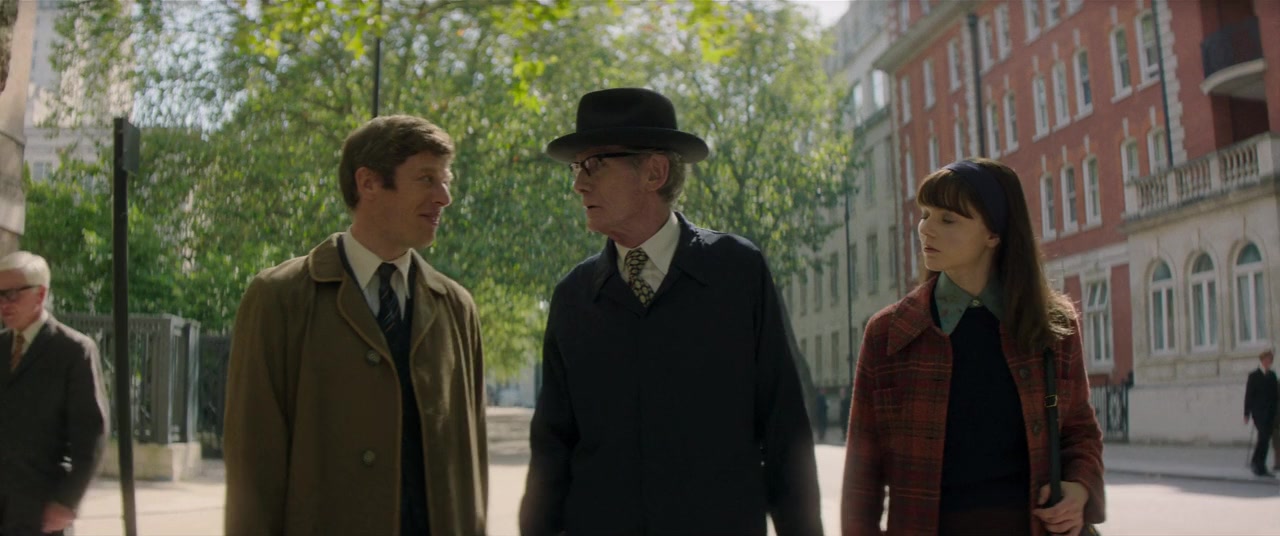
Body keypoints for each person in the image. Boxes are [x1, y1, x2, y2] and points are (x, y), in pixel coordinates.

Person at [519, 87, 822, 536]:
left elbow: (784, 426)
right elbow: (551, 450)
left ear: (654, 172)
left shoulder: (737, 272)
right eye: (576, 167)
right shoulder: (573, 296)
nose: (578, 183)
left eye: (593, 165)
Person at [223, 115, 487, 535]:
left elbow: (471, 469)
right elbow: (252, 466)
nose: (444, 197)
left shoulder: (456, 308)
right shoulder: (280, 298)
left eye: (445, 180)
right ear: (368, 183)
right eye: (426, 179)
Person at [841, 159, 1105, 535]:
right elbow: (861, 478)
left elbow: (1079, 430)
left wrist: (1080, 489)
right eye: (925, 214)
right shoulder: (890, 334)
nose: (925, 228)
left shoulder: (1050, 327)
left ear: (993, 235)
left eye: (948, 219)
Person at [0, 251, 107, 536]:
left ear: (40, 294)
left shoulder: (73, 351)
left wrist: (68, 502)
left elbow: (90, 435)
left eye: (12, 294)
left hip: (40, 508)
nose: (4, 304)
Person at [1244, 349, 1277, 477]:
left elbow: (1275, 395)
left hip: (1270, 413)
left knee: (1265, 440)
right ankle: (1258, 464)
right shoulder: (1254, 376)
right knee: (1263, 437)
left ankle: (1258, 463)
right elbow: (1249, 395)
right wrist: (1246, 413)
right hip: (1258, 413)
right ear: (1262, 360)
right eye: (1267, 360)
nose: (1269, 362)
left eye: (1270, 360)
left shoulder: (1272, 375)